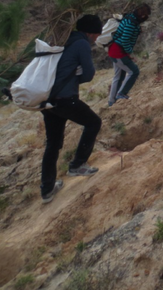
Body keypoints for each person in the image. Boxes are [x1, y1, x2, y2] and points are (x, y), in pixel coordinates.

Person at [40, 14, 103, 204]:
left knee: (53, 143)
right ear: (91, 33)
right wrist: (78, 77)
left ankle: (47, 189)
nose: (96, 39)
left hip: (48, 100)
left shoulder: (63, 40)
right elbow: (89, 73)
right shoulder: (82, 44)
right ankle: (77, 165)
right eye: (97, 35)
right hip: (66, 99)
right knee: (93, 122)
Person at [107, 3, 151, 106]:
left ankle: (111, 102)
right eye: (146, 15)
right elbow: (125, 39)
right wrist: (128, 52)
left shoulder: (128, 18)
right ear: (143, 15)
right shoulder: (132, 23)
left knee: (118, 76)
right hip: (118, 52)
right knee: (134, 71)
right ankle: (121, 94)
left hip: (113, 50)